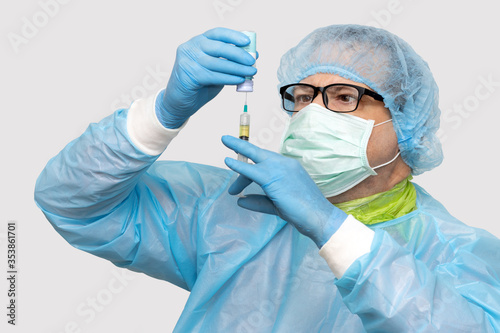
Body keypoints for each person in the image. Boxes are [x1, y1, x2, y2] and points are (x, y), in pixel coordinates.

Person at [35, 25, 500, 332]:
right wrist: (163, 113)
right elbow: (70, 201)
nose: (311, 114)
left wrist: (330, 229)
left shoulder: (456, 251)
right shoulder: (232, 208)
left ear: (404, 118)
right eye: (300, 97)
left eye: (342, 97)